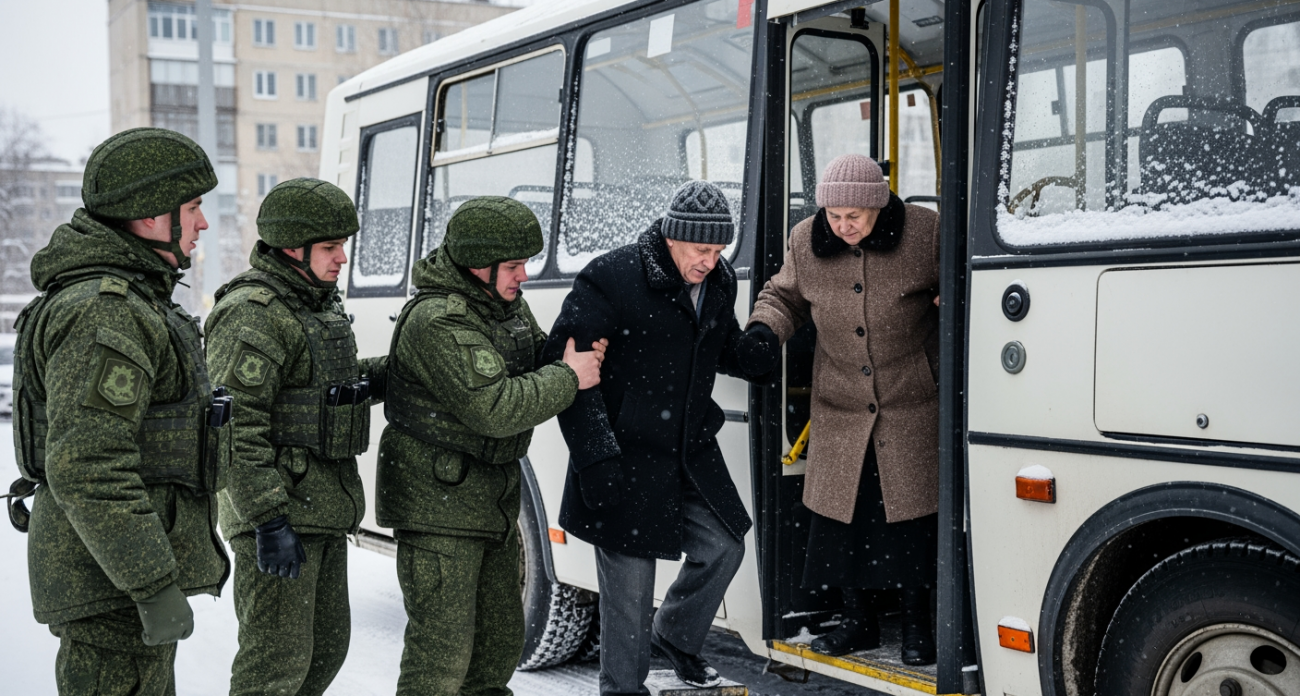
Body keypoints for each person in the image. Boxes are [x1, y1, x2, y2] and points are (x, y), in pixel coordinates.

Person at [8, 127, 230, 694]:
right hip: (111, 593)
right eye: (193, 207)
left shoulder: (131, 298)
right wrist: (151, 583)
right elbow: (88, 465)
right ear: (152, 215)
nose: (203, 223)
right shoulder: (106, 312)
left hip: (114, 583)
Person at [543, 181, 769, 695]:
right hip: (622, 454)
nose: (709, 261)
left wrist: (752, 352)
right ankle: (623, 689)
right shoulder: (612, 278)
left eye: (718, 251)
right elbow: (568, 375)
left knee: (725, 546)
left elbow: (717, 344)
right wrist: (595, 457)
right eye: (700, 249)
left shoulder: (719, 281)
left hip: (689, 451)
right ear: (672, 237)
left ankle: (675, 631)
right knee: (629, 597)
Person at [376, 196, 605, 696]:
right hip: (438, 510)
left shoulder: (500, 305)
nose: (523, 275)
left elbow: (532, 357)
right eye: (514, 266)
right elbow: (496, 406)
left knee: (497, 646)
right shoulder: (438, 320)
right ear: (478, 265)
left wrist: (578, 353)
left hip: (490, 504)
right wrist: (568, 376)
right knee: (441, 659)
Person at [739, 154, 941, 665]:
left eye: (854, 216)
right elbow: (782, 297)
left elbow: (957, 285)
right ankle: (857, 624)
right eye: (834, 215)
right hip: (841, 403)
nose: (842, 225)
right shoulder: (806, 239)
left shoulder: (925, 233)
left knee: (910, 521)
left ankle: (920, 626)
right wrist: (764, 333)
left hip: (910, 400)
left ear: (878, 205)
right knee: (844, 519)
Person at [205, 178, 387, 696]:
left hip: (321, 509)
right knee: (274, 669)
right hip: (280, 517)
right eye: (331, 247)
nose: (343, 258)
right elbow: (238, 426)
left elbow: (324, 392)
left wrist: (396, 372)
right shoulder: (254, 313)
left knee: (324, 653)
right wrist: (267, 520)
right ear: (293, 248)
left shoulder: (313, 303)